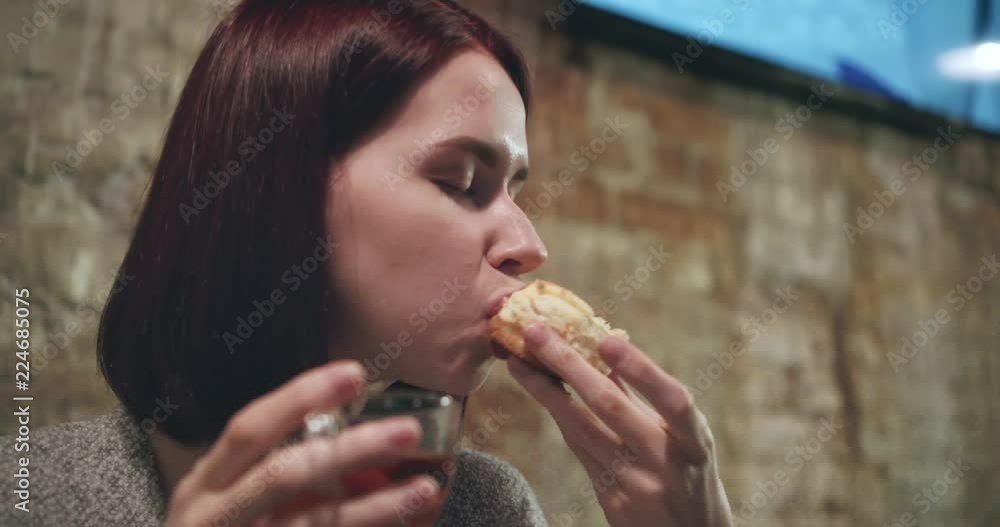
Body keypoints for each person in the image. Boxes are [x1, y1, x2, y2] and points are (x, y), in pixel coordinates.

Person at [0, 0, 734, 525]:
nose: (529, 245)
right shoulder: (30, 495)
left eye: (514, 189)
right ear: (278, 187)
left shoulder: (486, 508)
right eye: (460, 182)